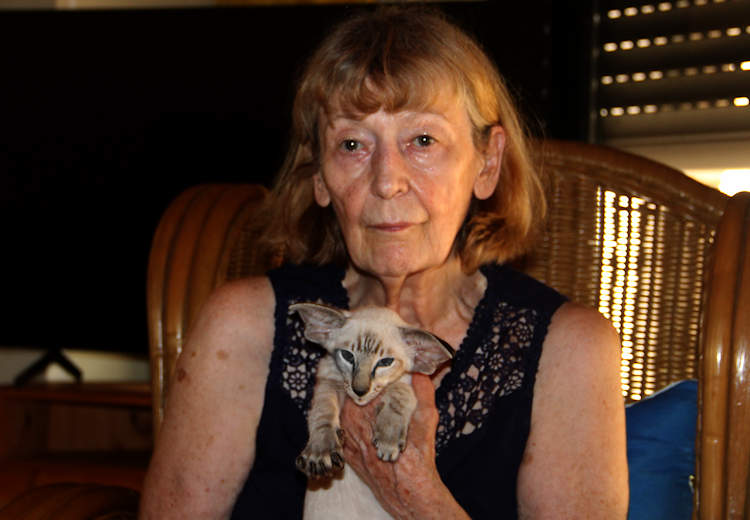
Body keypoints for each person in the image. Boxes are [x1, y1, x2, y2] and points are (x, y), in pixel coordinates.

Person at [140, 6, 628, 519]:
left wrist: (412, 492)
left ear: (487, 163)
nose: (386, 181)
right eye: (352, 144)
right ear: (320, 176)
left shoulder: (569, 350)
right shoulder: (243, 325)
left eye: (423, 141)